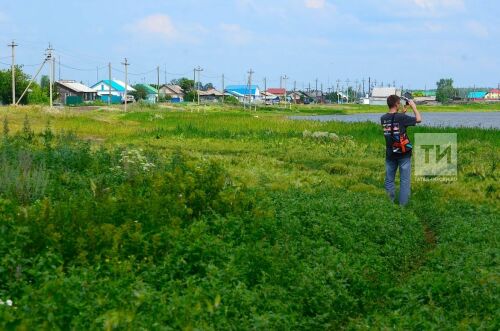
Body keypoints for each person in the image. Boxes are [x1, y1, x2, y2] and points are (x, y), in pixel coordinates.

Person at [381, 95, 422, 206]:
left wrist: (402, 113)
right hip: (403, 154)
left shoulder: (383, 118)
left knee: (389, 180)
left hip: (390, 154)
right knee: (404, 181)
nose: (400, 104)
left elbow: (394, 127)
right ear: (396, 104)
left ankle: (389, 204)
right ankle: (403, 207)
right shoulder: (401, 118)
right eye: (399, 103)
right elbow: (419, 119)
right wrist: (414, 107)